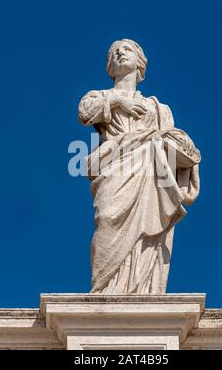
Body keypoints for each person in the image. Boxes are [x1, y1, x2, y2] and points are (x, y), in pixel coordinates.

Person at [78, 39, 200, 294]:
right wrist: (117, 101)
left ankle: (142, 289)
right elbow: (84, 111)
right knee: (107, 218)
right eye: (114, 52)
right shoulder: (99, 96)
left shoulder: (158, 108)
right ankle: (104, 288)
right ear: (110, 66)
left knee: (150, 226)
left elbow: (172, 138)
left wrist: (181, 147)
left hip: (149, 170)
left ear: (140, 63)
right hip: (114, 167)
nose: (120, 53)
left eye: (127, 49)